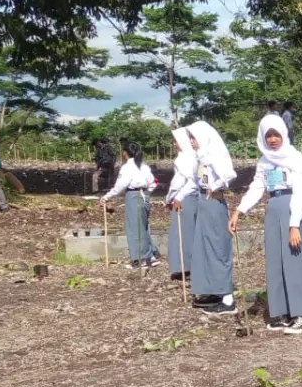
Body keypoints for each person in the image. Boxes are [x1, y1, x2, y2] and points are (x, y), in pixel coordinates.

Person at [231, 115, 302, 335]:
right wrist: (239, 210)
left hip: (292, 209)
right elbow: (257, 187)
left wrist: (294, 225)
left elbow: (300, 192)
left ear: (283, 134)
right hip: (273, 209)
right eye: (268, 136)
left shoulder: (294, 158)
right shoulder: (264, 161)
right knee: (275, 261)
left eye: (276, 135)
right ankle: (282, 312)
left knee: (294, 260)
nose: (272, 140)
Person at [186, 121, 238, 315]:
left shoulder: (213, 155)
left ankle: (227, 298)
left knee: (218, 249)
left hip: (214, 203)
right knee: (205, 249)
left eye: (194, 138)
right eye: (190, 138)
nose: (192, 141)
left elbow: (229, 175)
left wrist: (214, 187)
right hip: (203, 204)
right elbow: (195, 181)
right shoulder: (199, 157)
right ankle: (214, 290)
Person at [101, 141, 160, 269]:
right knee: (143, 227)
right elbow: (154, 182)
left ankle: (140, 259)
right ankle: (151, 256)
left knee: (134, 229)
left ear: (125, 153)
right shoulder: (144, 167)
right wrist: (147, 193)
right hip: (144, 197)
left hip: (133, 196)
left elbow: (120, 186)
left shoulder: (127, 167)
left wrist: (107, 196)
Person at [165, 127, 200, 281]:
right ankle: (194, 265)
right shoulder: (195, 156)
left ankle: (182, 267)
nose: (174, 144)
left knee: (181, 233)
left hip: (183, 198)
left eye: (176, 141)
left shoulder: (183, 158)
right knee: (193, 232)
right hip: (195, 196)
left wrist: (170, 198)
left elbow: (178, 181)